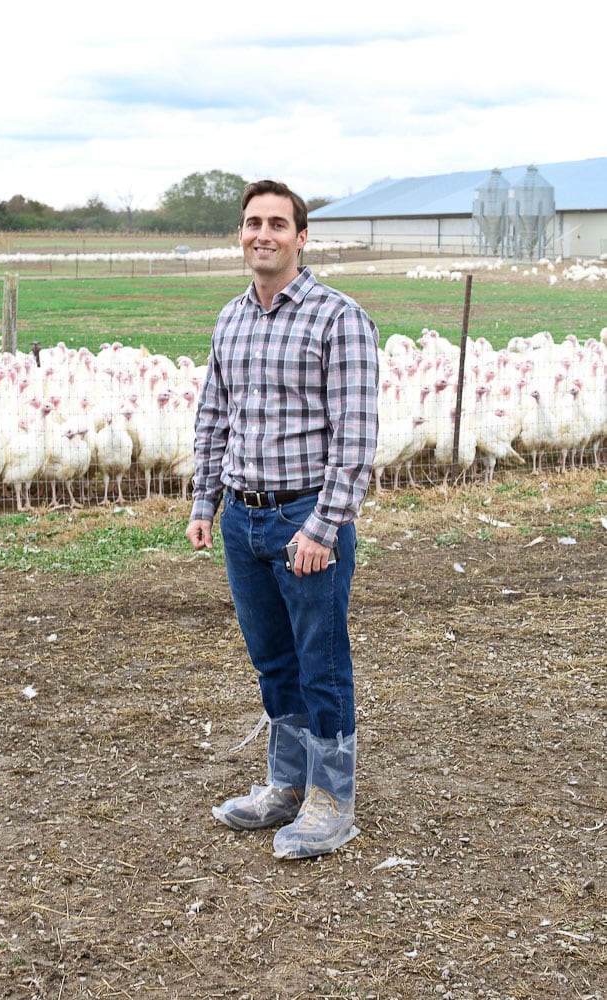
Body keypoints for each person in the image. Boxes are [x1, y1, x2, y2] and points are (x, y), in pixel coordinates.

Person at [186, 179, 379, 859]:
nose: (261, 233)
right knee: (272, 660)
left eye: (276, 223)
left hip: (306, 517)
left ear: (301, 236)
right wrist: (203, 503)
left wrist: (323, 529)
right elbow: (214, 415)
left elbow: (354, 438)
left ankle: (332, 801)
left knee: (319, 661)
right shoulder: (230, 318)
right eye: (250, 223)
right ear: (239, 234)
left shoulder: (338, 318)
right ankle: (284, 786)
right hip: (243, 518)